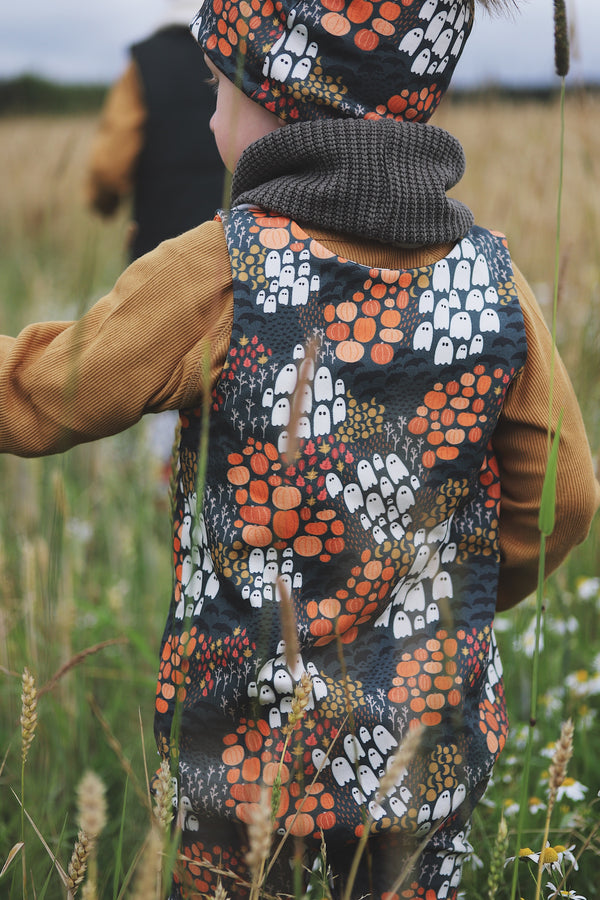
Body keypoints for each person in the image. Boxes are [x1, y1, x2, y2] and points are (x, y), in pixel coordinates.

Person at [1, 1, 599, 898]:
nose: (208, 116)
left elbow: (42, 397)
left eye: (219, 91)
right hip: (422, 750)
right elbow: (567, 495)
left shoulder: (223, 267)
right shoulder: (493, 278)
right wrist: (461, 596)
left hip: (239, 758)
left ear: (285, 101)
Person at [85, 0, 225, 261]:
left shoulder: (142, 64)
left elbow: (109, 169)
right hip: (232, 244)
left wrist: (104, 202)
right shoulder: (241, 58)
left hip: (158, 249)